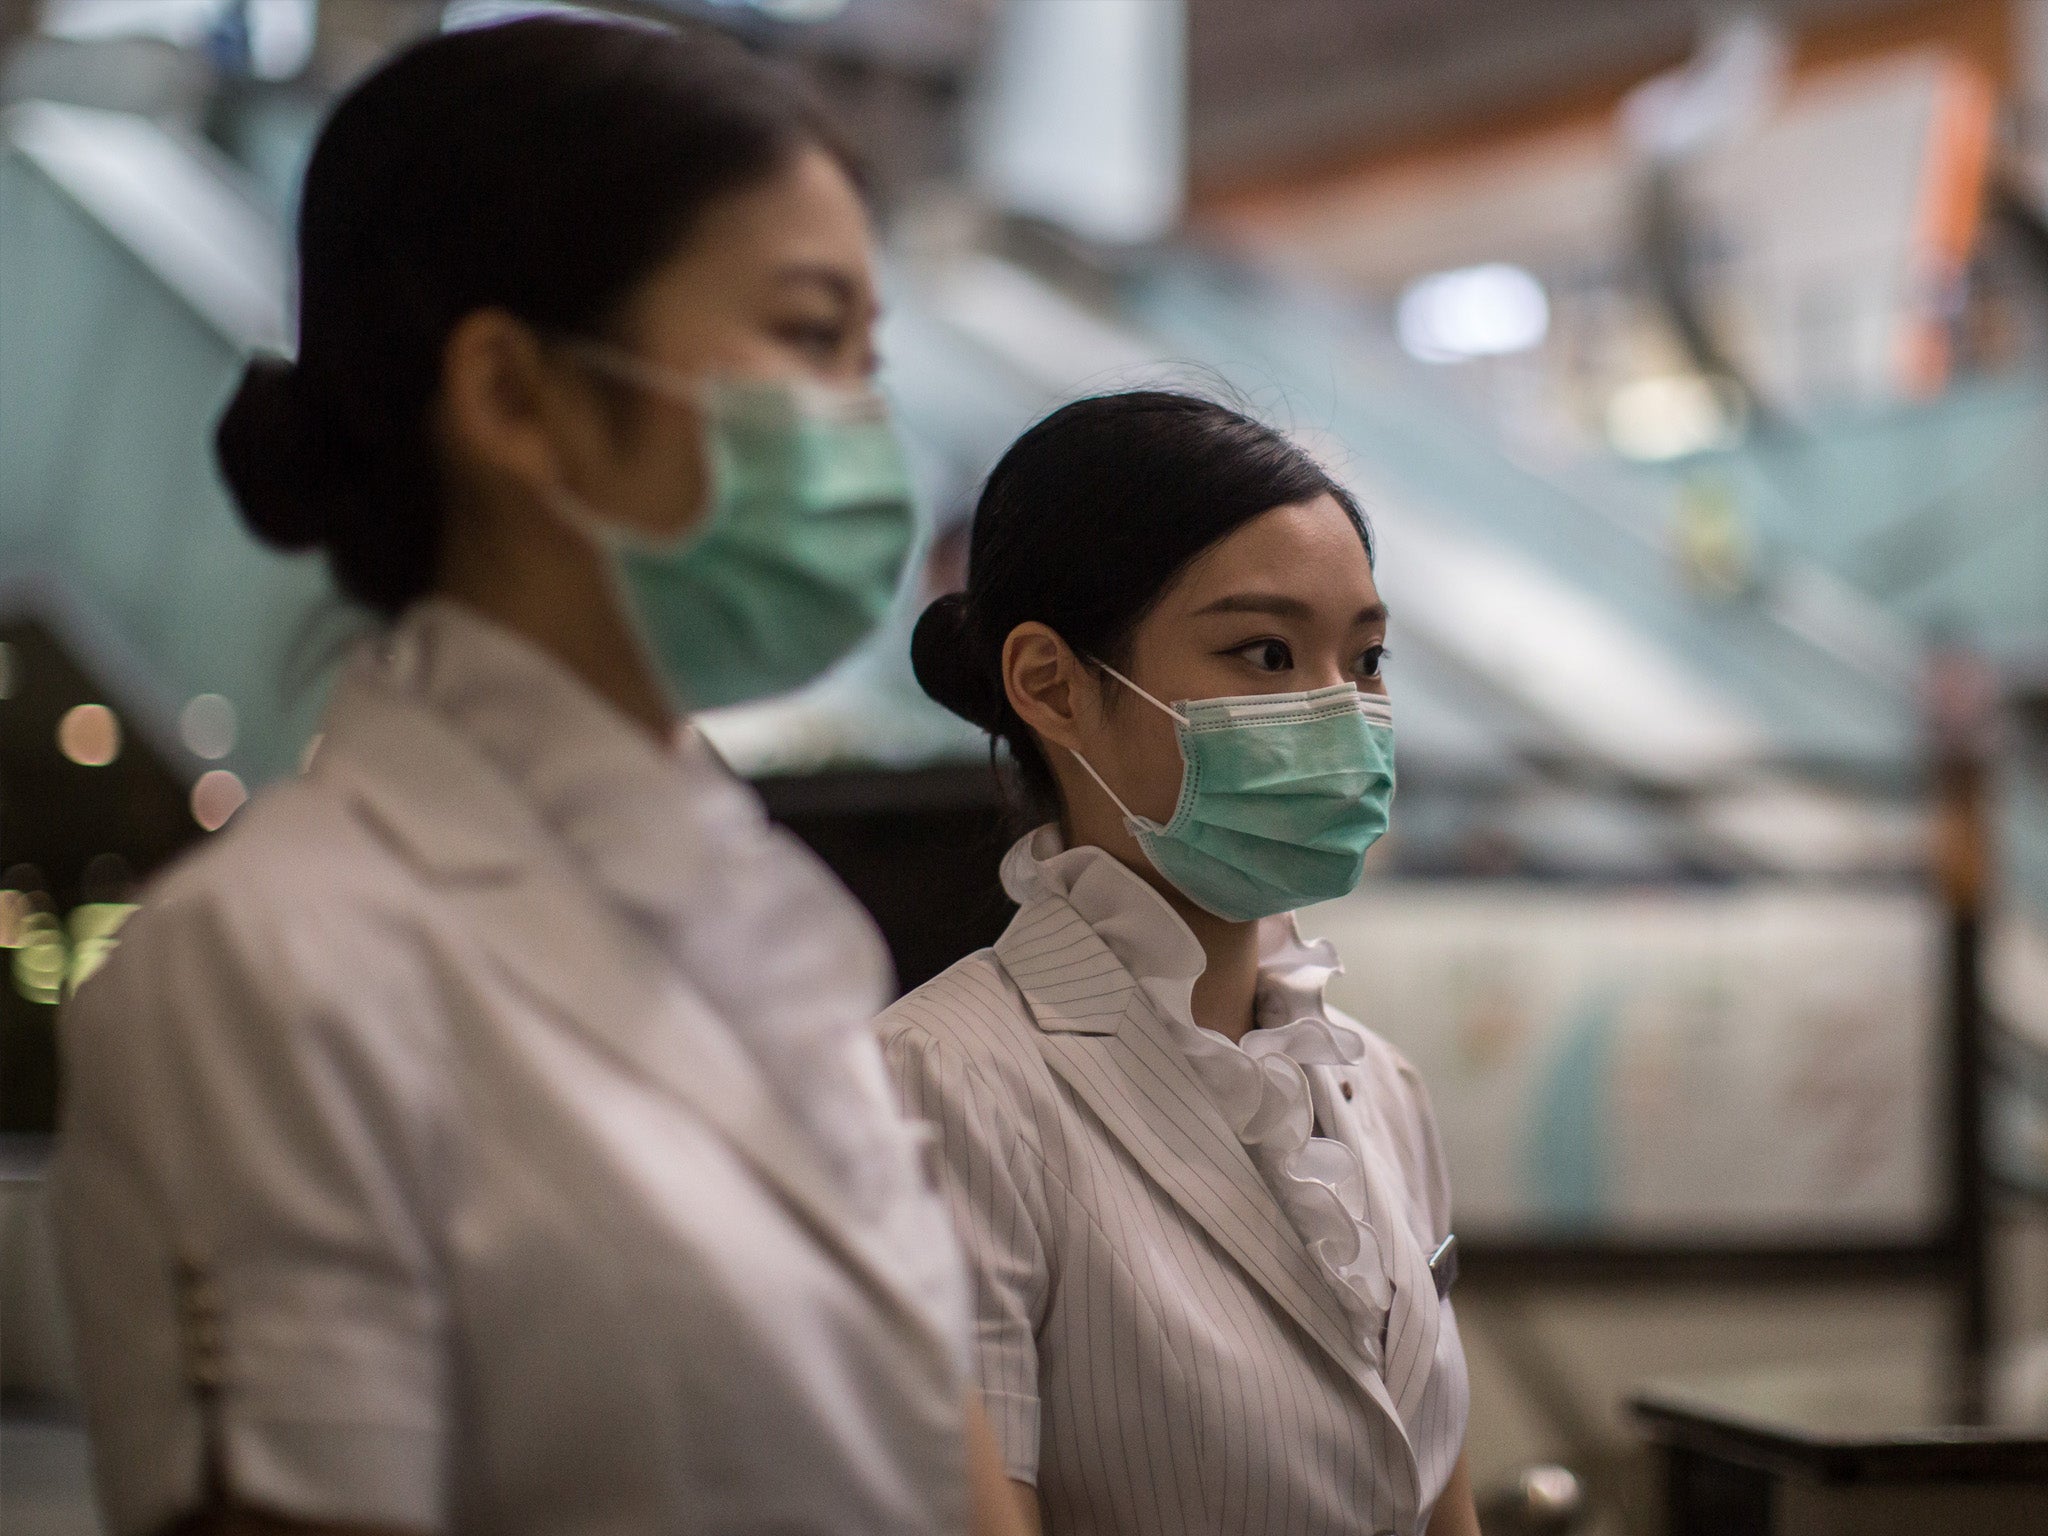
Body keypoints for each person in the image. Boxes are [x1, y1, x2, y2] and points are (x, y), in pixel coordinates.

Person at [50, 16, 1023, 1536]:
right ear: (513, 395)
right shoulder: (269, 965)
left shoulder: (770, 921)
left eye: (869, 358)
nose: (864, 427)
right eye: (807, 337)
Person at [882, 391, 1480, 1536]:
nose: (1339, 712)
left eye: (1363, 656)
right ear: (1051, 685)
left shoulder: (1378, 1088)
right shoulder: (931, 1086)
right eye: (1264, 652)